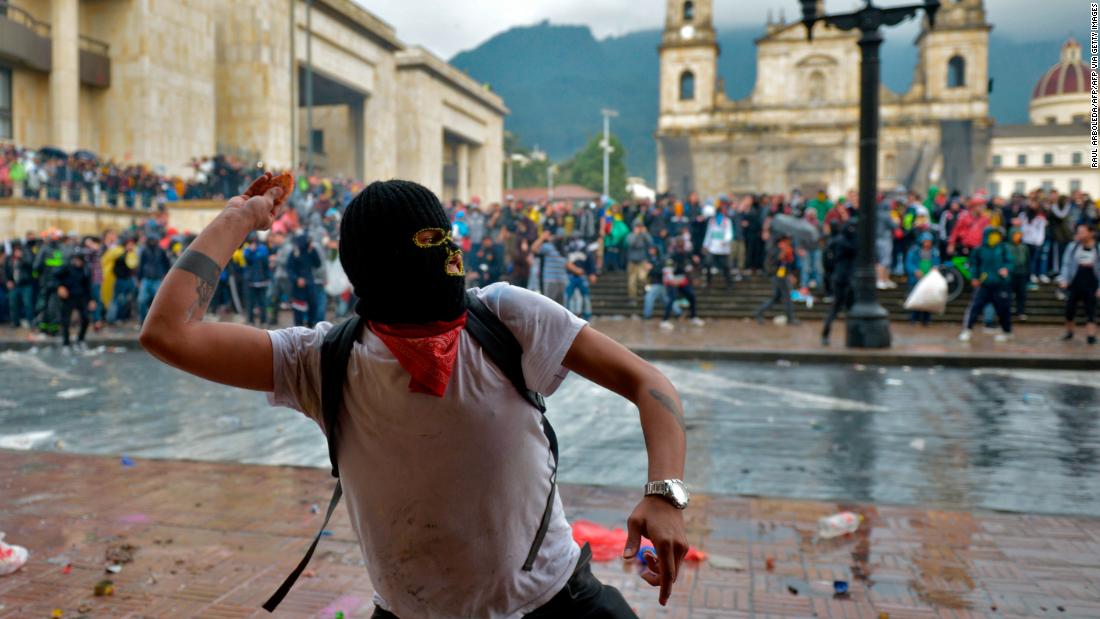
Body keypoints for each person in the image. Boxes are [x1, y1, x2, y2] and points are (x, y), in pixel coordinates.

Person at [140, 176, 689, 619]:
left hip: (555, 602)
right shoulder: (319, 360)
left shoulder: (507, 316)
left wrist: (665, 495)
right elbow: (167, 333)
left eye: (448, 239)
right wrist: (240, 217)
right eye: (427, 246)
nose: (449, 258)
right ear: (375, 274)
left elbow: (649, 383)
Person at [959, 227, 1013, 343]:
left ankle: (1007, 331)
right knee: (975, 307)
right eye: (992, 235)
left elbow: (1010, 262)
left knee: (1003, 308)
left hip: (1000, 284)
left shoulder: (1003, 248)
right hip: (984, 284)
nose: (995, 238)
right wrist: (974, 277)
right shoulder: (979, 250)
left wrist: (1007, 269)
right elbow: (974, 265)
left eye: (996, 236)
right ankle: (967, 330)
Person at [1057, 224, 1099, 344]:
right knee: (1070, 308)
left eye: (1082, 232)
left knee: (1091, 309)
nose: (1080, 235)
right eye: (1079, 232)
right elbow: (1066, 263)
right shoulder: (1073, 246)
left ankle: (1091, 336)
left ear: (1091, 233)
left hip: (1091, 281)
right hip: (1075, 280)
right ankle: (1069, 332)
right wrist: (1063, 279)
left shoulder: (1097, 248)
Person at [821, 221, 857, 346]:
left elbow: (826, 257)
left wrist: (830, 271)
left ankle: (826, 334)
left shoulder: (835, 241)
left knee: (836, 308)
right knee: (847, 308)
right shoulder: (850, 242)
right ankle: (851, 336)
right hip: (846, 278)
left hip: (838, 276)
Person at [659, 237, 704, 330]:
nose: (681, 247)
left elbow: (690, 266)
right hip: (672, 280)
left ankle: (693, 317)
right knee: (672, 298)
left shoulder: (687, 255)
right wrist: (671, 280)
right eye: (680, 245)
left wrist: (695, 263)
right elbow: (667, 268)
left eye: (682, 245)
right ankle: (664, 320)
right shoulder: (672, 255)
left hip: (682, 279)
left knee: (691, 295)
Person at [754, 234, 800, 326]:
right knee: (787, 297)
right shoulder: (775, 249)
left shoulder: (786, 249)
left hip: (782, 274)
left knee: (776, 298)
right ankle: (791, 319)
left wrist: (790, 274)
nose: (789, 242)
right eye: (787, 240)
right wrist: (784, 251)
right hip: (777, 275)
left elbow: (787, 263)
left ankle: (759, 312)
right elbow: (777, 261)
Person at [54, 250, 93, 351]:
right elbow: (55, 277)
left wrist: (91, 299)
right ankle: (66, 343)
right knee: (65, 321)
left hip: (81, 297)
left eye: (80, 260)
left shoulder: (85, 270)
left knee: (86, 318)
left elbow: (88, 286)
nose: (77, 262)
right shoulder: (66, 268)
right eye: (76, 259)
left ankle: (80, 340)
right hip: (68, 297)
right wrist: (60, 287)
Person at [904, 231, 940, 326]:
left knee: (928, 300)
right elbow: (909, 263)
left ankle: (926, 320)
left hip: (929, 280)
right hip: (916, 279)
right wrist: (915, 271)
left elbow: (937, 263)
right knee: (916, 299)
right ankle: (914, 318)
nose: (927, 244)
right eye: (925, 241)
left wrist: (935, 268)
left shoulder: (934, 252)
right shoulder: (914, 250)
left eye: (929, 241)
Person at [137, 234, 171, 324]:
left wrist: (165, 277)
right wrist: (139, 279)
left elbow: (166, 265)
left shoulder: (161, 251)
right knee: (141, 300)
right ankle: (143, 320)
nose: (152, 242)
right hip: (146, 279)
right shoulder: (144, 251)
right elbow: (140, 266)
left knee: (158, 302)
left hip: (157, 279)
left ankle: (156, 321)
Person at [702, 205, 734, 289]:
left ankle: (729, 284)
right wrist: (705, 245)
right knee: (708, 264)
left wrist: (725, 241)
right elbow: (709, 233)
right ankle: (709, 282)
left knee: (726, 267)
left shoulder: (727, 221)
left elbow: (729, 233)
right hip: (713, 247)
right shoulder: (712, 221)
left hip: (723, 248)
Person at [1005, 227, 1030, 321]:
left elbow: (1027, 261)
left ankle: (1021, 311)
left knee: (1022, 294)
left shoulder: (1024, 247)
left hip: (1022, 273)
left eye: (1019, 235)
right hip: (1010, 274)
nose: (1017, 237)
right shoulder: (1006, 246)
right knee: (1008, 293)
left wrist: (1028, 273)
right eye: (1015, 235)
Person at [625, 220, 654, 299]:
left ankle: (643, 291)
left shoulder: (644, 236)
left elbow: (651, 242)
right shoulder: (630, 235)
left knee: (643, 278)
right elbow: (630, 243)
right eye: (637, 226)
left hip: (642, 261)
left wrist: (645, 233)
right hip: (632, 262)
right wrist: (635, 234)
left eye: (639, 226)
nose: (638, 228)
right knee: (631, 281)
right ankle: (632, 297)